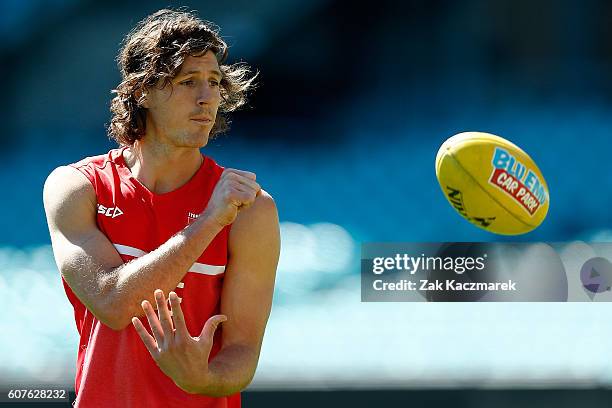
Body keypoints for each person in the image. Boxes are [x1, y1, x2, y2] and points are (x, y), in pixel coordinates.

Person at [42, 9, 280, 407]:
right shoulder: (77, 187)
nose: (207, 98)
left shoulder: (252, 211)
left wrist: (203, 378)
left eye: (214, 82)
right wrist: (209, 221)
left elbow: (242, 353)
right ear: (142, 92)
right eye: (188, 82)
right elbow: (113, 303)